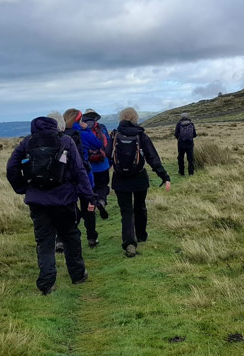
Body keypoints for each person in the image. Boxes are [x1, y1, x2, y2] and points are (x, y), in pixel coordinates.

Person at [6, 116, 96, 295]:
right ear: (57, 126)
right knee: (71, 236)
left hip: (38, 202)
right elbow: (79, 171)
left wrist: (23, 188)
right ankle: (78, 275)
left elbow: (11, 167)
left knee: (44, 242)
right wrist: (88, 196)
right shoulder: (66, 141)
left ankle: (47, 283)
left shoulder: (27, 142)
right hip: (64, 199)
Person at [107, 107, 171, 258]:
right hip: (139, 178)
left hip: (120, 179)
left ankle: (129, 242)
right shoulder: (141, 135)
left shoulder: (114, 135)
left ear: (121, 118)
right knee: (140, 207)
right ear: (135, 118)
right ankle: (141, 235)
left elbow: (107, 156)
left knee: (126, 211)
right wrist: (164, 176)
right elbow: (152, 157)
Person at [63, 108, 104, 248]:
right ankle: (92, 237)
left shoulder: (61, 135)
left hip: (67, 179)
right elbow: (98, 145)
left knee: (68, 209)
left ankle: (63, 239)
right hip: (84, 177)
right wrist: (86, 130)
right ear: (78, 120)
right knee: (89, 207)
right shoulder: (83, 134)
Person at [82, 109, 111, 219]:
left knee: (90, 188)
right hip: (102, 164)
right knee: (103, 186)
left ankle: (91, 208)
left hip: (87, 166)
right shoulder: (101, 127)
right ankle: (101, 201)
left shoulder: (81, 129)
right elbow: (107, 144)